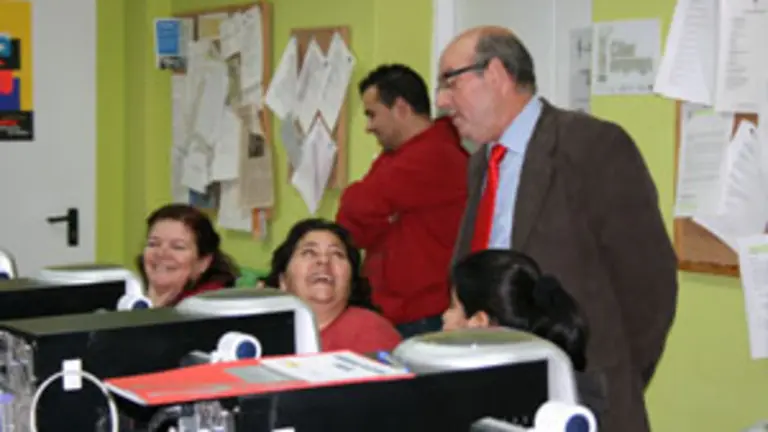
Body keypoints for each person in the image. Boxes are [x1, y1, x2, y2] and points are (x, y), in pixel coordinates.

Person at [437, 27, 678, 432]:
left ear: (494, 73)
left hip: (583, 395)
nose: (442, 101)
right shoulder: (482, 163)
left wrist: (612, 379)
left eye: (450, 81)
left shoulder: (591, 146)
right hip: (498, 391)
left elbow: (649, 286)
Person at [336, 64, 469, 338]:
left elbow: (358, 202)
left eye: (373, 115)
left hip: (422, 315)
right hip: (393, 309)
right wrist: (382, 212)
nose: (368, 127)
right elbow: (352, 228)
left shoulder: (436, 155)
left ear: (400, 108)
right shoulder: (395, 157)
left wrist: (368, 203)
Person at [444, 249, 607, 420]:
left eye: (452, 307)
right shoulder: (560, 388)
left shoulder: (498, 406)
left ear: (478, 323)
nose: (445, 316)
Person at [261, 218, 402, 353]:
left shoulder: (372, 333)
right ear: (283, 280)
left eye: (336, 254)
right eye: (309, 252)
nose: (323, 261)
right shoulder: (263, 330)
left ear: (351, 281)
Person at [136, 203, 239, 307]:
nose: (161, 253)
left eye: (177, 247)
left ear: (203, 262)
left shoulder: (210, 308)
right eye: (153, 244)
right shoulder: (132, 294)